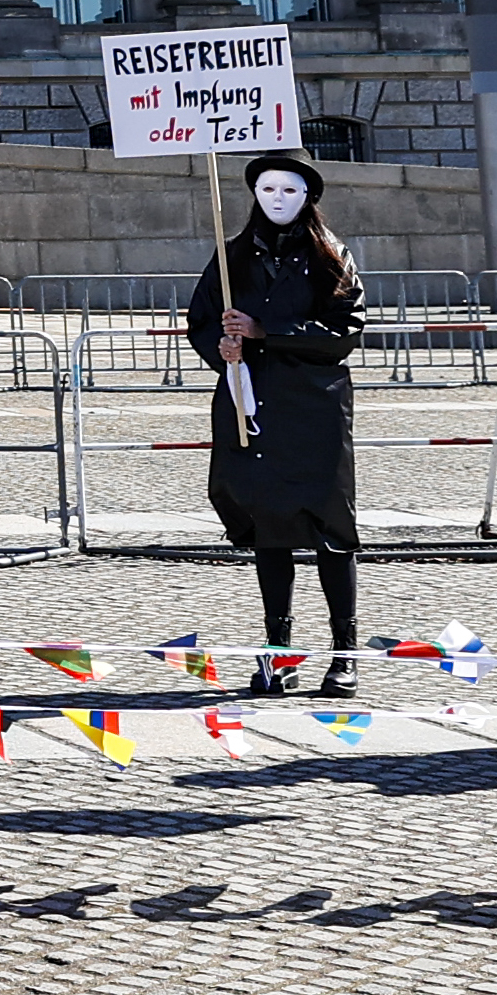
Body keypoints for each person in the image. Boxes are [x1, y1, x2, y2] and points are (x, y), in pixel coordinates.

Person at [184, 150, 367, 694]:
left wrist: (270, 331)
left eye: (289, 191)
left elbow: (345, 332)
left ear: (308, 197)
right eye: (268, 191)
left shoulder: (332, 255)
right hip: (251, 403)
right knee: (269, 527)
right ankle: (278, 650)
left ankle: (344, 651)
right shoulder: (230, 256)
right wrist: (220, 348)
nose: (278, 200)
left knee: (331, 528)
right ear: (254, 196)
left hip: (313, 407)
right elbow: (199, 320)